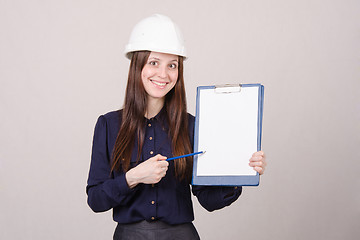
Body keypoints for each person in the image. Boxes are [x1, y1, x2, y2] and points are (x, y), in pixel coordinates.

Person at [86, 14, 267, 240]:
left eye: (172, 65)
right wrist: (133, 177)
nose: (163, 74)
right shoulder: (108, 125)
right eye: (154, 63)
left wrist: (239, 171)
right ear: (137, 65)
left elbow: (208, 200)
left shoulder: (192, 126)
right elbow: (96, 200)